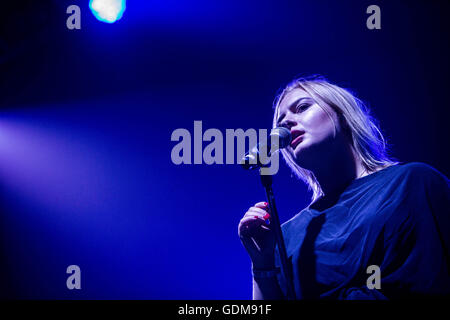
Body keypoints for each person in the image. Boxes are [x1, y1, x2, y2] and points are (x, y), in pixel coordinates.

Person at [238, 76, 450, 299]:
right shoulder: (287, 235)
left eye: (302, 107)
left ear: (342, 114)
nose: (287, 123)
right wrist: (262, 265)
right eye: (280, 124)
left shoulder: (413, 183)